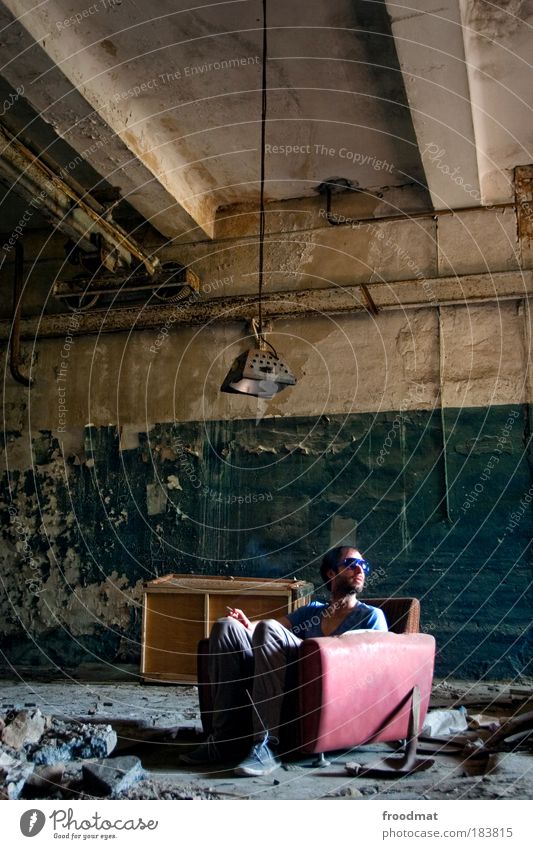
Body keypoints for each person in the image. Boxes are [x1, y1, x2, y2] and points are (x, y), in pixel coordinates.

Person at [182, 546, 388, 776]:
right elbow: (271, 628)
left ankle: (266, 745)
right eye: (351, 564)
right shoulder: (313, 611)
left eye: (364, 566)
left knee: (269, 629)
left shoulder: (371, 616)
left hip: (328, 681)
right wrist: (247, 624)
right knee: (225, 627)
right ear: (331, 573)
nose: (360, 570)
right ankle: (223, 740)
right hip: (283, 674)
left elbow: (376, 662)